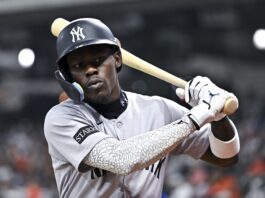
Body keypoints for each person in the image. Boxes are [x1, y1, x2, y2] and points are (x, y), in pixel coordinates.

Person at [44, 18, 240, 198]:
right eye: (78, 66)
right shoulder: (62, 118)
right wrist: (195, 117)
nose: (90, 70)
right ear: (68, 77)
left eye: (98, 60)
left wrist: (218, 116)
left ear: (118, 60)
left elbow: (225, 157)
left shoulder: (157, 109)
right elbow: (120, 159)